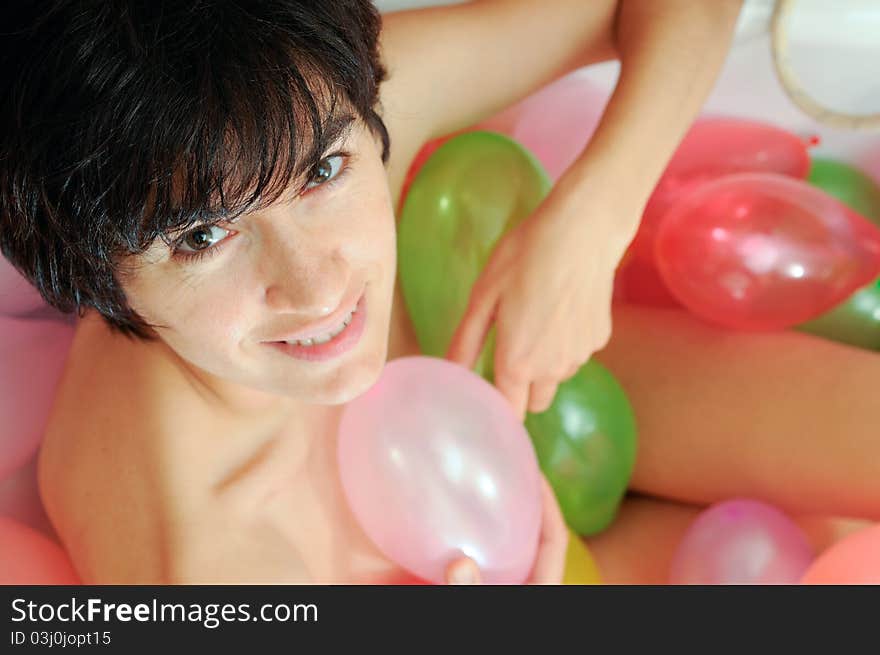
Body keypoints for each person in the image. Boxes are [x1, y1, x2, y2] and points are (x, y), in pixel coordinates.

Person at [0, 0, 744, 584]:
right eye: (200, 238)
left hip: (520, 359)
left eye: (324, 175)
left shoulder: (294, 103)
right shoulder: (208, 564)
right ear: (95, 277)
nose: (317, 286)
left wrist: (594, 219)